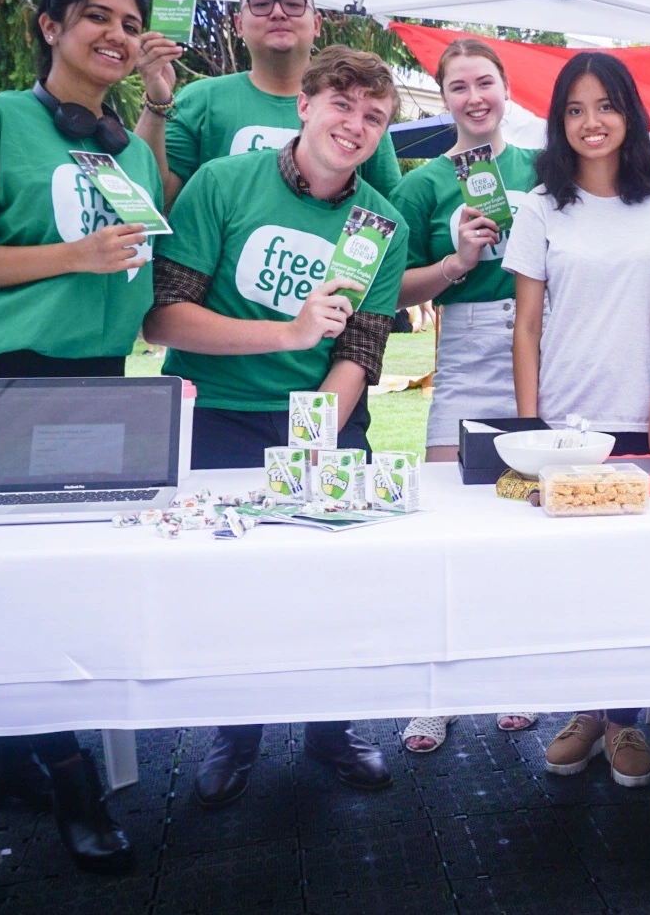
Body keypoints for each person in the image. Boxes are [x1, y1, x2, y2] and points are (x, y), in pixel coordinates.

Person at [0, 0, 160, 876]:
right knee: (17, 582)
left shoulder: (126, 149)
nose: (116, 34)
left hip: (98, 379)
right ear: (51, 26)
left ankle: (6, 752)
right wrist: (72, 256)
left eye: (129, 23)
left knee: (74, 579)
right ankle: (68, 773)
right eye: (96, 16)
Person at [142, 44, 406, 811]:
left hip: (322, 418)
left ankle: (330, 730)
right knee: (232, 587)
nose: (355, 125)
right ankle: (237, 732)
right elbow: (163, 320)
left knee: (336, 583)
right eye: (342, 105)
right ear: (305, 105)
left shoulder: (380, 222)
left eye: (373, 116)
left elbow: (360, 351)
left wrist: (312, 436)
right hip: (217, 413)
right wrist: (288, 334)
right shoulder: (223, 183)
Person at [502, 51, 650, 788]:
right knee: (577, 579)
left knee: (641, 577)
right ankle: (585, 710)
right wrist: (529, 428)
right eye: (575, 109)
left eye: (606, 106)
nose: (592, 122)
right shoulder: (540, 207)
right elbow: (525, 327)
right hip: (567, 424)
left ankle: (624, 720)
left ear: (629, 115)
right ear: (559, 121)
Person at [386, 37, 541, 754]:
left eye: (485, 83)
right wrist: (457, 261)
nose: (474, 98)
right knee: (447, 514)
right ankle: (438, 692)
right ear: (444, 97)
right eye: (459, 87)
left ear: (505, 89)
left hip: (541, 343)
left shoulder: (540, 168)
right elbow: (391, 287)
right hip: (465, 342)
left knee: (526, 513)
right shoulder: (422, 185)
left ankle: (514, 674)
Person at [134, 0, 401, 209]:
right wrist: (156, 102)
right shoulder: (200, 99)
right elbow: (153, 197)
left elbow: (384, 214)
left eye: (293, 4)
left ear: (317, 24)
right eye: (261, 4)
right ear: (239, 24)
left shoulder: (359, 115)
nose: (278, 13)